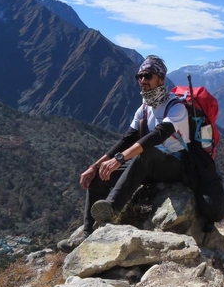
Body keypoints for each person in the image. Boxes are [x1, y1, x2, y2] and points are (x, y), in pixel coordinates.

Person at [57, 55, 190, 253]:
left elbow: (157, 136)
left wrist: (120, 159)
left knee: (146, 153)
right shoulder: (144, 108)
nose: (143, 80)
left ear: (161, 79)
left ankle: (109, 210)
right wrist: (95, 167)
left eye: (148, 75)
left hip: (174, 166)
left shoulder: (176, 107)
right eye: (140, 76)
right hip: (147, 165)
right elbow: (126, 140)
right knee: (100, 175)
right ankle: (87, 235)